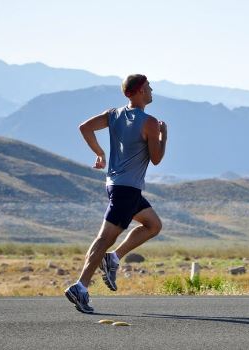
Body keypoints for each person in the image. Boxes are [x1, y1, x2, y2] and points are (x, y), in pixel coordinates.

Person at [65, 74, 167, 313]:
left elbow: (85, 127)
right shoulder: (150, 122)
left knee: (153, 225)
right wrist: (164, 135)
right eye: (149, 87)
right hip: (127, 189)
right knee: (104, 238)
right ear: (141, 90)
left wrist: (100, 153)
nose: (152, 91)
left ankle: (113, 258)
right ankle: (80, 286)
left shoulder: (114, 114)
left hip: (117, 185)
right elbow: (156, 158)